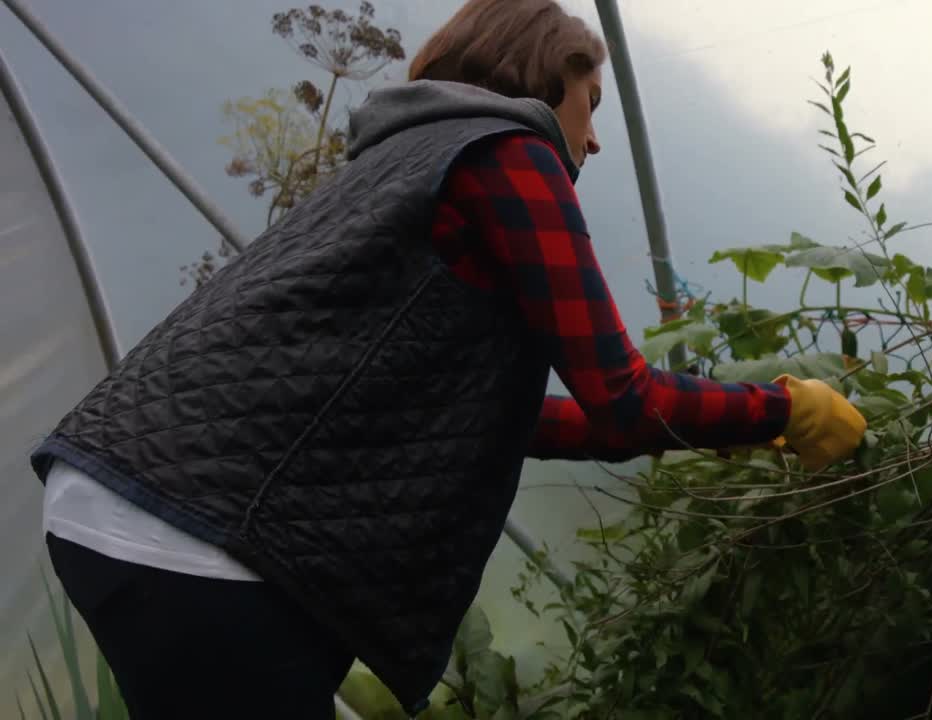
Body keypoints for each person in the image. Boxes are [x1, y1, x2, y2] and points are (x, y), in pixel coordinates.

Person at [32, 0, 868, 717]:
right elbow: (623, 395)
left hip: (126, 497)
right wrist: (787, 408)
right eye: (591, 103)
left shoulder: (403, 156)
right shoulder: (512, 152)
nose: (595, 141)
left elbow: (514, 421)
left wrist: (723, 427)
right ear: (549, 79)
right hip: (204, 535)